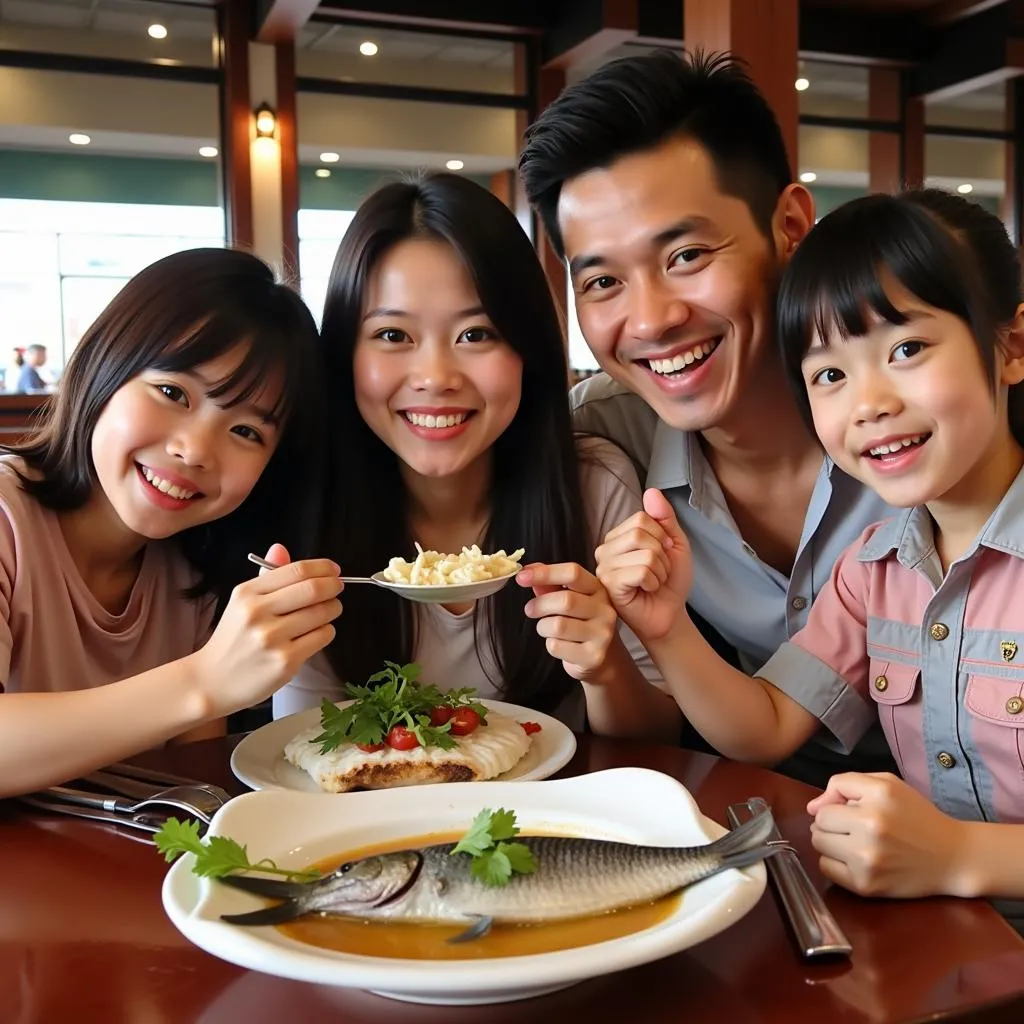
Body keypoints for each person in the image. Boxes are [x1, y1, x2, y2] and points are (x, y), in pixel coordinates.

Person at [595, 189, 1024, 924]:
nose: (869, 402)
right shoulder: (873, 566)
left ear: (1010, 346)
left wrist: (957, 855)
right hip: (947, 946)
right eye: (830, 375)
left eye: (907, 349)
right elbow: (764, 725)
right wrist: (666, 629)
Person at [518, 48, 895, 785]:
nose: (652, 321)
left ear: (789, 225)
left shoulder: (936, 416)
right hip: (758, 829)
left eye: (686, 254)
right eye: (601, 281)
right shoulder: (605, 436)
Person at [273, 173, 677, 737]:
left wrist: (603, 668)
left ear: (525, 350)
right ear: (345, 354)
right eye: (393, 336)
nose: (435, 378)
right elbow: (306, 748)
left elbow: (656, 741)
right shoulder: (309, 520)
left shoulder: (592, 488)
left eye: (476, 334)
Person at [0, 248, 343, 797]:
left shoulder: (196, 568)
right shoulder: (7, 521)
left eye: (247, 432)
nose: (195, 450)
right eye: (173, 393)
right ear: (102, 365)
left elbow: (189, 790)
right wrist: (206, 680)